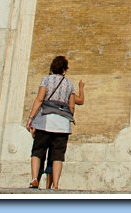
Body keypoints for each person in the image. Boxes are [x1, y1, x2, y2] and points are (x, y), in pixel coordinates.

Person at [26, 55, 84, 191]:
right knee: (58, 155)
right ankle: (56, 185)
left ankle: (34, 179)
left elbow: (40, 99)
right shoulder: (69, 84)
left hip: (45, 120)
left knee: (38, 150)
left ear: (52, 67)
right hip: (62, 124)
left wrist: (30, 118)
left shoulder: (46, 80)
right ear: (65, 69)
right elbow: (72, 107)